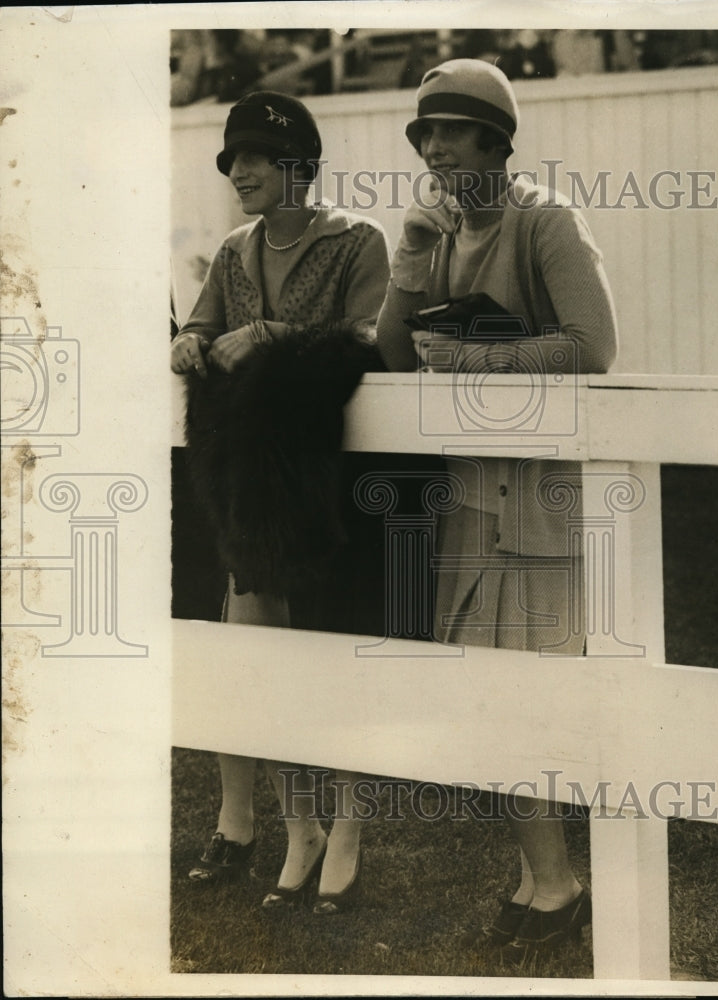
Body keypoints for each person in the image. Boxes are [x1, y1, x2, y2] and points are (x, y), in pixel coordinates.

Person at [377, 59, 618, 963]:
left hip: (543, 494)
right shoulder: (434, 232)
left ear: (495, 140)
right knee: (485, 691)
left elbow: (594, 346)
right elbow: (396, 359)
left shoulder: (546, 218)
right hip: (475, 486)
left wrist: (482, 363)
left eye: (450, 132)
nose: (433, 150)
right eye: (422, 134)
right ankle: (537, 878)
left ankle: (554, 886)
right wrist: (408, 255)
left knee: (528, 691)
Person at [171, 91, 389, 913]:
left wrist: (272, 340)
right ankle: (298, 831)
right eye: (233, 160)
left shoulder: (356, 241)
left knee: (335, 663)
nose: (241, 173)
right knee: (258, 670)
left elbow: (373, 341)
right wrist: (193, 342)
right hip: (250, 499)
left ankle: (349, 833)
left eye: (259, 158)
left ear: (301, 167)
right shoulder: (233, 251)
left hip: (330, 497)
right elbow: (196, 331)